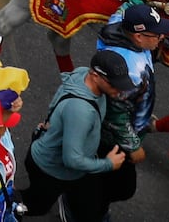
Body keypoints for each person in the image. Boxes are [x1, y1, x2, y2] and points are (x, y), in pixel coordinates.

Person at [23, 49, 137, 222]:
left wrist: (52, 123)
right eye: (113, 84)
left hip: (75, 170)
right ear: (95, 76)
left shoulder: (81, 74)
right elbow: (72, 160)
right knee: (35, 207)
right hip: (52, 171)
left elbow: (59, 97)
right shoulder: (82, 111)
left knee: (92, 209)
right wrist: (108, 164)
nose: (120, 90)